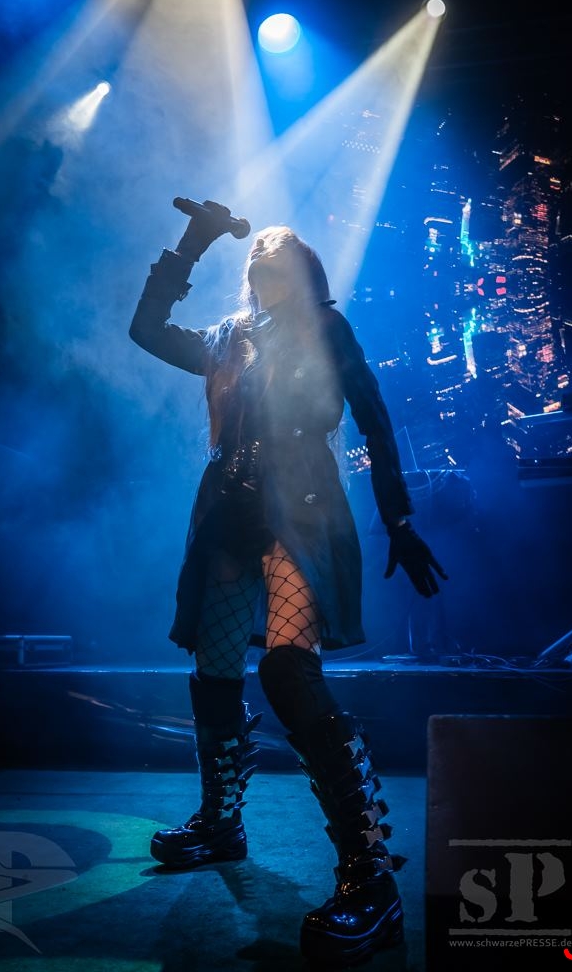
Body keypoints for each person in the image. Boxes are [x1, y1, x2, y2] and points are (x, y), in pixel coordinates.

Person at [129, 200, 448, 967]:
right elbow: (145, 329)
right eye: (256, 254)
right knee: (213, 672)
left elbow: (373, 420)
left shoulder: (326, 328)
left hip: (299, 508)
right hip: (225, 514)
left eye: (278, 252)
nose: (263, 256)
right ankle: (220, 823)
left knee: (285, 667)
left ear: (303, 269)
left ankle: (369, 874)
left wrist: (398, 518)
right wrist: (192, 241)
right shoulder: (227, 336)